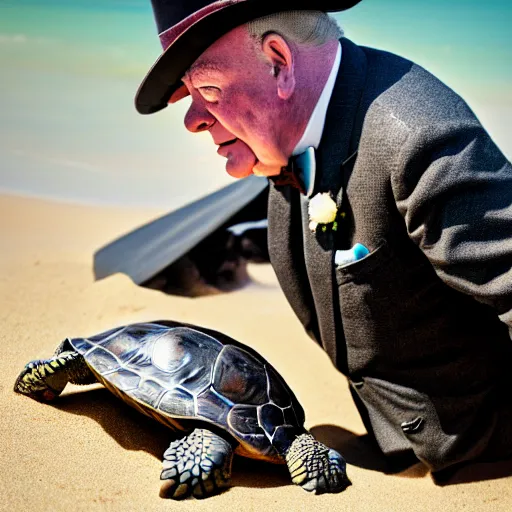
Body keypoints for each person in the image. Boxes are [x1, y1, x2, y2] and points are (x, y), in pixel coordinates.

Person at [135, 0, 512, 476]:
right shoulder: (285, 138)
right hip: (382, 451)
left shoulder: (419, 139)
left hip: (488, 458)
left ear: (278, 62)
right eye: (189, 94)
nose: (192, 119)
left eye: (208, 88)